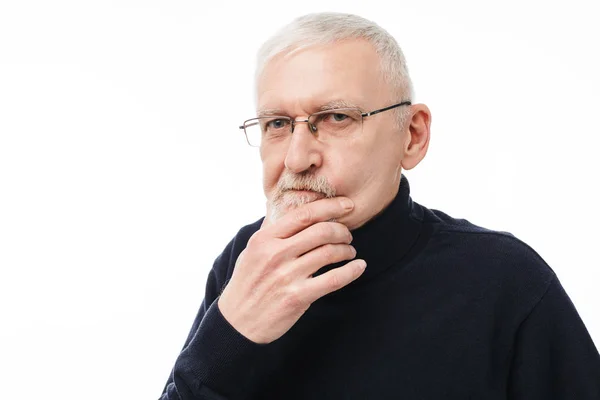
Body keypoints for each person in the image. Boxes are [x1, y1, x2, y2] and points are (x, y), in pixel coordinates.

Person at [160, 12, 600, 400]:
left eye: (335, 118)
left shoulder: (506, 280)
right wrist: (229, 336)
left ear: (412, 135)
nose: (297, 158)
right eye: (277, 123)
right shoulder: (246, 261)